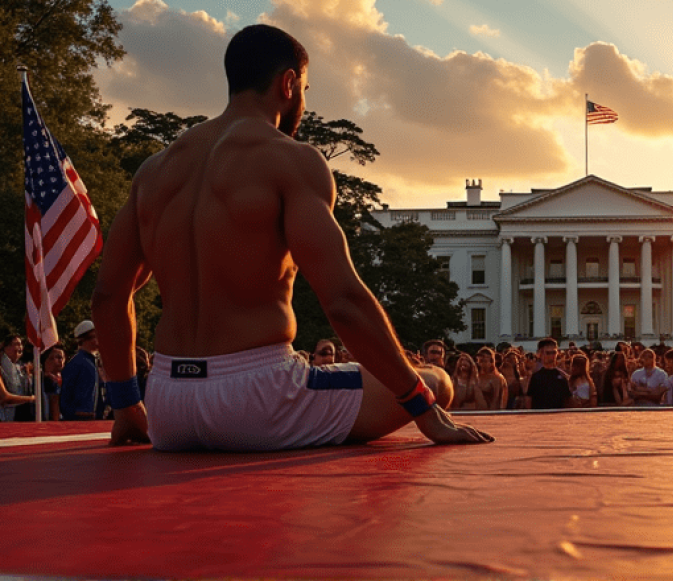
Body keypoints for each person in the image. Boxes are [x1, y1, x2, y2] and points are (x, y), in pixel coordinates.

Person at [90, 24, 490, 450]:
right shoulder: (289, 159)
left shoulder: (154, 170)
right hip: (258, 399)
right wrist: (424, 410)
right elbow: (343, 301)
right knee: (438, 380)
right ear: (288, 83)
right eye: (306, 88)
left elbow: (108, 297)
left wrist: (127, 404)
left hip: (168, 402)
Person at [60, 321, 102, 421]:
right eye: (95, 336)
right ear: (83, 340)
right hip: (79, 420)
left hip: (91, 419)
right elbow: (65, 395)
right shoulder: (77, 363)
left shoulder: (92, 362)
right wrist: (75, 412)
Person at [526, 338, 570, 409]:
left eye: (554, 352)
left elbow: (568, 400)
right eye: (548, 353)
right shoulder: (535, 377)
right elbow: (529, 399)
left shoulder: (562, 376)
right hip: (539, 415)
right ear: (540, 354)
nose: (552, 356)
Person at [1, 334, 31, 422]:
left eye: (21, 344)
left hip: (21, 412)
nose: (20, 347)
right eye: (16, 344)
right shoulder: (3, 364)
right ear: (6, 347)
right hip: (6, 415)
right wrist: (32, 398)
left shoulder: (20, 367)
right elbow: (5, 397)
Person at [41, 343, 67, 421]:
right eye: (51, 358)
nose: (57, 361)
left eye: (60, 357)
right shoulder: (45, 380)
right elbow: (54, 410)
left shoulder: (65, 378)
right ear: (45, 361)